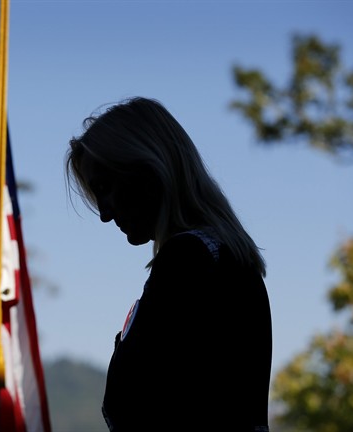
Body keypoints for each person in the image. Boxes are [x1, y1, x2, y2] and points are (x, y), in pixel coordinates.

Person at [64, 96, 273, 431]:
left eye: (106, 188)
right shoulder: (223, 258)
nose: (104, 213)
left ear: (147, 172)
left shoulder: (189, 261)